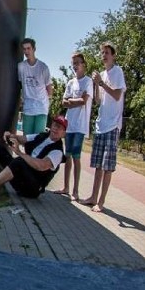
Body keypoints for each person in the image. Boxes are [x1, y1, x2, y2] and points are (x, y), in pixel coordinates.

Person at [0, 115, 66, 200]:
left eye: (60, 128)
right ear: (51, 125)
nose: (56, 129)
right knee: (0, 150)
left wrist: (19, 153)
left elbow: (41, 166)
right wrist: (10, 135)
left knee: (19, 161)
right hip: (23, 176)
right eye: (55, 125)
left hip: (32, 188)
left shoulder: (57, 152)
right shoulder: (42, 136)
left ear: (63, 134)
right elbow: (23, 139)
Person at [79, 43, 127, 213]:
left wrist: (102, 83)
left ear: (113, 55)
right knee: (98, 165)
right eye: (102, 53)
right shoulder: (103, 74)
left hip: (112, 125)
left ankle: (101, 201)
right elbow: (99, 101)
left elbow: (116, 95)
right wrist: (95, 84)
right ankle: (93, 197)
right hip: (101, 124)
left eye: (107, 53)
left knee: (107, 166)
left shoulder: (117, 71)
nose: (104, 55)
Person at [52, 52, 93, 201]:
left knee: (76, 157)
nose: (75, 66)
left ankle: (75, 191)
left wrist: (72, 100)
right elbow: (64, 102)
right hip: (69, 125)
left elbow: (84, 101)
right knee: (67, 156)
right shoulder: (70, 82)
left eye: (77, 63)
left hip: (80, 126)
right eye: (73, 63)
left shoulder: (88, 82)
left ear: (83, 64)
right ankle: (66, 187)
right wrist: (74, 100)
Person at [17, 38, 52, 134]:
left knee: (37, 139)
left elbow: (50, 90)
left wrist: (41, 98)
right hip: (28, 107)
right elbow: (20, 84)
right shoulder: (21, 66)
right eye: (24, 49)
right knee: (26, 139)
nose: (26, 51)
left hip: (41, 108)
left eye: (28, 48)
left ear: (34, 49)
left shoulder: (43, 67)